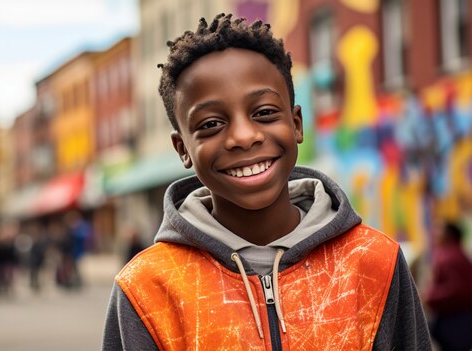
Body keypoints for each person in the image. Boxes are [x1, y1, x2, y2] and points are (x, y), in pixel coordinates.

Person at [102, 14, 431, 350]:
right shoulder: (147, 289)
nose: (243, 137)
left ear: (297, 123)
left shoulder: (373, 262)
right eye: (211, 123)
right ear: (182, 148)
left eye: (264, 113)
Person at [425, 221, 472, 350]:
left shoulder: (449, 257)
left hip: (454, 320)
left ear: (449, 235)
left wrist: (430, 297)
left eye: (439, 231)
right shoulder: (458, 254)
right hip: (459, 318)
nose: (435, 234)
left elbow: (457, 289)